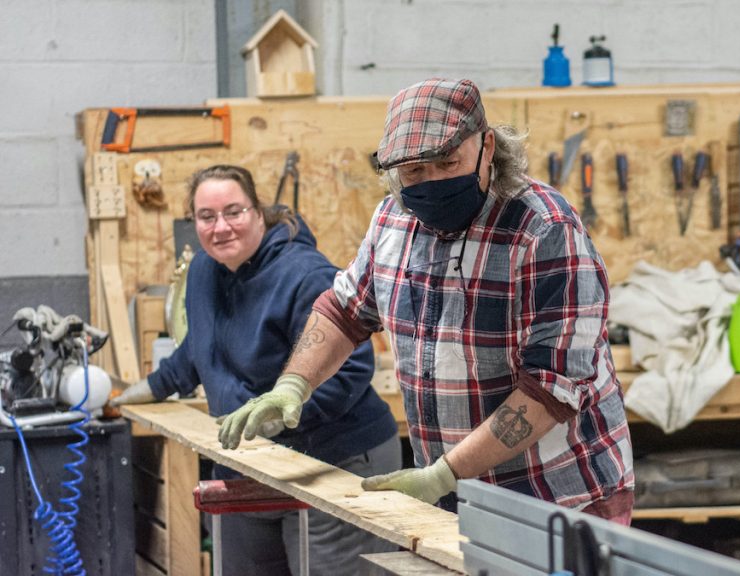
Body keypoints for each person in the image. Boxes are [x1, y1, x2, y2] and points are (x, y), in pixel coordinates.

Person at [218, 79, 635, 524]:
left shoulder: (545, 230)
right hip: (454, 492)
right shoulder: (393, 220)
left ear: (487, 146)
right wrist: (293, 385)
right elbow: (344, 311)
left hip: (559, 496)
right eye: (414, 172)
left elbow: (552, 388)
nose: (431, 182)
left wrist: (443, 475)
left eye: (447, 162)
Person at [112, 164, 401, 575]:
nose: (221, 227)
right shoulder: (203, 271)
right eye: (206, 216)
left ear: (258, 212)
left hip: (335, 460)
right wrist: (156, 385)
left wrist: (277, 420)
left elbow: (351, 368)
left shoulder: (304, 274)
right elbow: (200, 346)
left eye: (234, 211)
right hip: (250, 460)